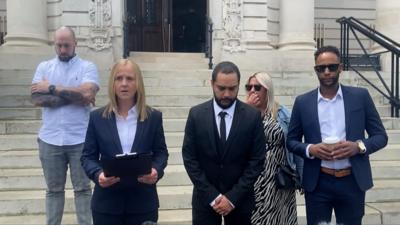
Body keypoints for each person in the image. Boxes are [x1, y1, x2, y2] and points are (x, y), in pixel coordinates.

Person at [286, 45, 388, 225]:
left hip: (352, 181)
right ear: (315, 70)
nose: (327, 72)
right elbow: (291, 141)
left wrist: (358, 147)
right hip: (318, 182)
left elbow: (380, 136)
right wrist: (311, 149)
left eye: (332, 67)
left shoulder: (360, 97)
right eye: (321, 68)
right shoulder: (303, 102)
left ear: (340, 67)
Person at [81, 58, 168, 225]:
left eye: (130, 78)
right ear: (112, 83)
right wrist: (98, 174)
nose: (124, 83)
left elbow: (161, 153)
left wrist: (156, 170)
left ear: (138, 83)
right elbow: (87, 157)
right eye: (119, 78)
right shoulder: (97, 118)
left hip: (143, 202)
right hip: (107, 204)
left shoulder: (153, 117)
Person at [182, 61, 266, 225]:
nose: (227, 94)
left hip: (240, 202)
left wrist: (232, 197)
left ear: (238, 85)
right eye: (221, 88)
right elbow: (190, 159)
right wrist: (213, 196)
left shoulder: (252, 116)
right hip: (204, 201)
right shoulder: (196, 115)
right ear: (212, 84)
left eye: (232, 88)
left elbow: (257, 161)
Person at [30, 26, 99, 225]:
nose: (62, 50)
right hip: (49, 139)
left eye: (66, 45)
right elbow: (36, 99)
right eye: (58, 45)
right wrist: (78, 95)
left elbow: (89, 93)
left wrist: (51, 88)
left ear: (75, 43)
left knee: (83, 189)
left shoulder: (88, 67)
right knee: (53, 191)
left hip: (80, 139)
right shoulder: (44, 67)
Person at [245, 72, 299, 225]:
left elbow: (294, 141)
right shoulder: (242, 113)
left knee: (279, 217)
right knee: (256, 217)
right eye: (249, 87)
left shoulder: (281, 113)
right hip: (254, 177)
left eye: (257, 87)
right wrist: (248, 109)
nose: (252, 91)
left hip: (278, 177)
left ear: (267, 89)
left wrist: (299, 173)